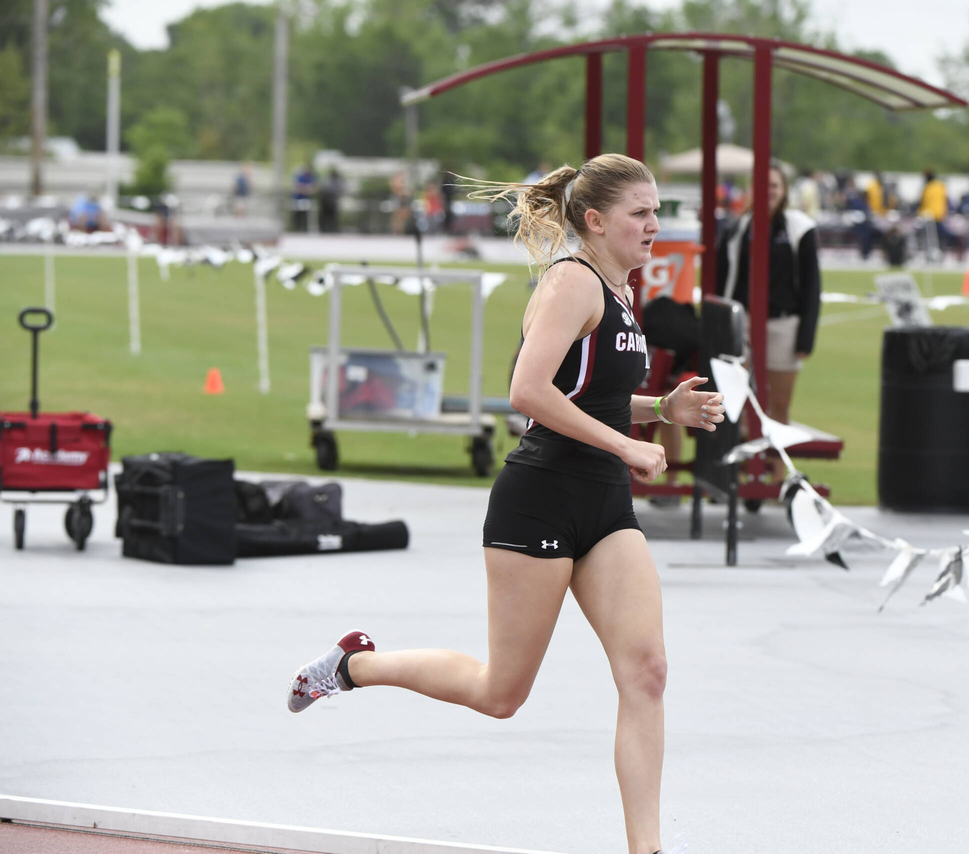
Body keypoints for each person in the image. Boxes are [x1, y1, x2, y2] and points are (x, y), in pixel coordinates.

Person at [285, 153, 724, 854]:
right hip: (540, 500)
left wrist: (659, 410)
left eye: (657, 211)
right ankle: (351, 667)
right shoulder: (570, 284)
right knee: (501, 695)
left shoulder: (620, 290)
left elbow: (590, 395)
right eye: (641, 213)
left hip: (606, 507)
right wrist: (628, 446)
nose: (655, 225)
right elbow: (528, 392)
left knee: (647, 671)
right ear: (595, 220)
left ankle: (648, 849)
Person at [714, 164, 822, 480]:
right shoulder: (738, 228)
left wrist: (806, 339)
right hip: (743, 322)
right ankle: (746, 471)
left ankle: (777, 475)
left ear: (784, 190)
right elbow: (723, 279)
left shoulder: (800, 228)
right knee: (741, 402)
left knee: (778, 404)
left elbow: (813, 286)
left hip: (784, 325)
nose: (769, 192)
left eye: (775, 186)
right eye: (763, 186)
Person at [317, 166, 343, 234]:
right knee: (325, 215)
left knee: (332, 216)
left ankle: (332, 228)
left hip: (332, 200)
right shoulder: (327, 179)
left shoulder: (336, 180)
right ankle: (323, 228)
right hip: (326, 200)